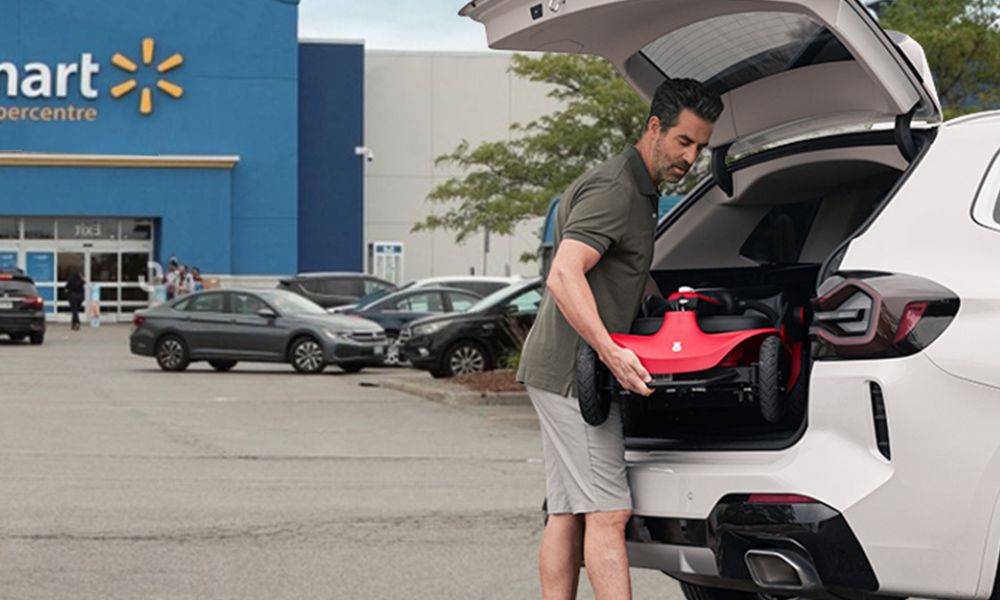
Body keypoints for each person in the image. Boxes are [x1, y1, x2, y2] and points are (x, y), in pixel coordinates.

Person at [516, 78, 723, 600]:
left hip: (555, 367)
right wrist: (612, 350)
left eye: (700, 146)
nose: (691, 156)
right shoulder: (617, 190)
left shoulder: (634, 187)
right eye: (683, 142)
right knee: (608, 512)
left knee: (566, 511)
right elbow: (564, 274)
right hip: (573, 375)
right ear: (654, 128)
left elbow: (620, 265)